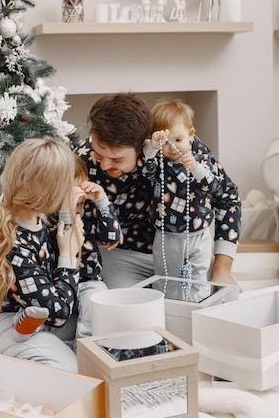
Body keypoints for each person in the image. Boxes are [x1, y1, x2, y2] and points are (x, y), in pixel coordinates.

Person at [74, 92, 241, 290]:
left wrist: (222, 270)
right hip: (124, 256)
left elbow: (227, 198)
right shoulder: (83, 158)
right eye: (100, 155)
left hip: (181, 249)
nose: (104, 166)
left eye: (117, 159)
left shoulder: (179, 148)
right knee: (130, 310)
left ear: (143, 145)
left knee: (211, 303)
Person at [0, 137, 84, 373]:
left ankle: (35, 341)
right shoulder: (14, 245)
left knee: (91, 323)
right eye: (66, 185)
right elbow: (58, 314)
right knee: (68, 370)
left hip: (31, 315)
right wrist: (68, 253)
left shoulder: (37, 216)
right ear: (49, 193)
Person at [141, 99, 241, 300]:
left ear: (191, 135)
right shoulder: (160, 162)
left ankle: (198, 308)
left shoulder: (201, 159)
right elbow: (145, 170)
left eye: (178, 140)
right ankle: (169, 311)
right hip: (166, 235)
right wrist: (153, 146)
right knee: (165, 279)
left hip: (198, 233)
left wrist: (196, 169)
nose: (171, 148)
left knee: (198, 278)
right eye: (165, 143)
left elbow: (214, 188)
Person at [71, 155, 122, 339]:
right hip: (60, 281)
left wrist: (101, 200)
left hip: (88, 279)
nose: (80, 194)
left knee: (97, 308)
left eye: (83, 185)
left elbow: (112, 237)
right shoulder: (51, 215)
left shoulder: (90, 209)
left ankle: (87, 351)